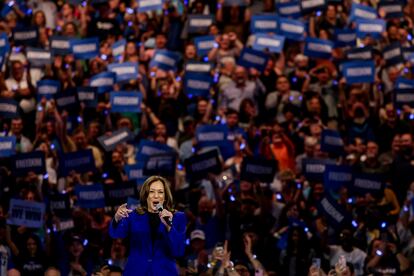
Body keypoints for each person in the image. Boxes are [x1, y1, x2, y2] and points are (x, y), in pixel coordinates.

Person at [109, 176, 186, 276]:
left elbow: (179, 251)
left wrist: (169, 227)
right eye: (152, 191)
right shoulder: (133, 216)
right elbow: (116, 234)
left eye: (160, 192)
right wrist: (117, 218)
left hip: (164, 272)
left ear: (165, 196)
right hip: (136, 271)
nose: (156, 196)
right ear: (146, 195)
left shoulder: (177, 217)